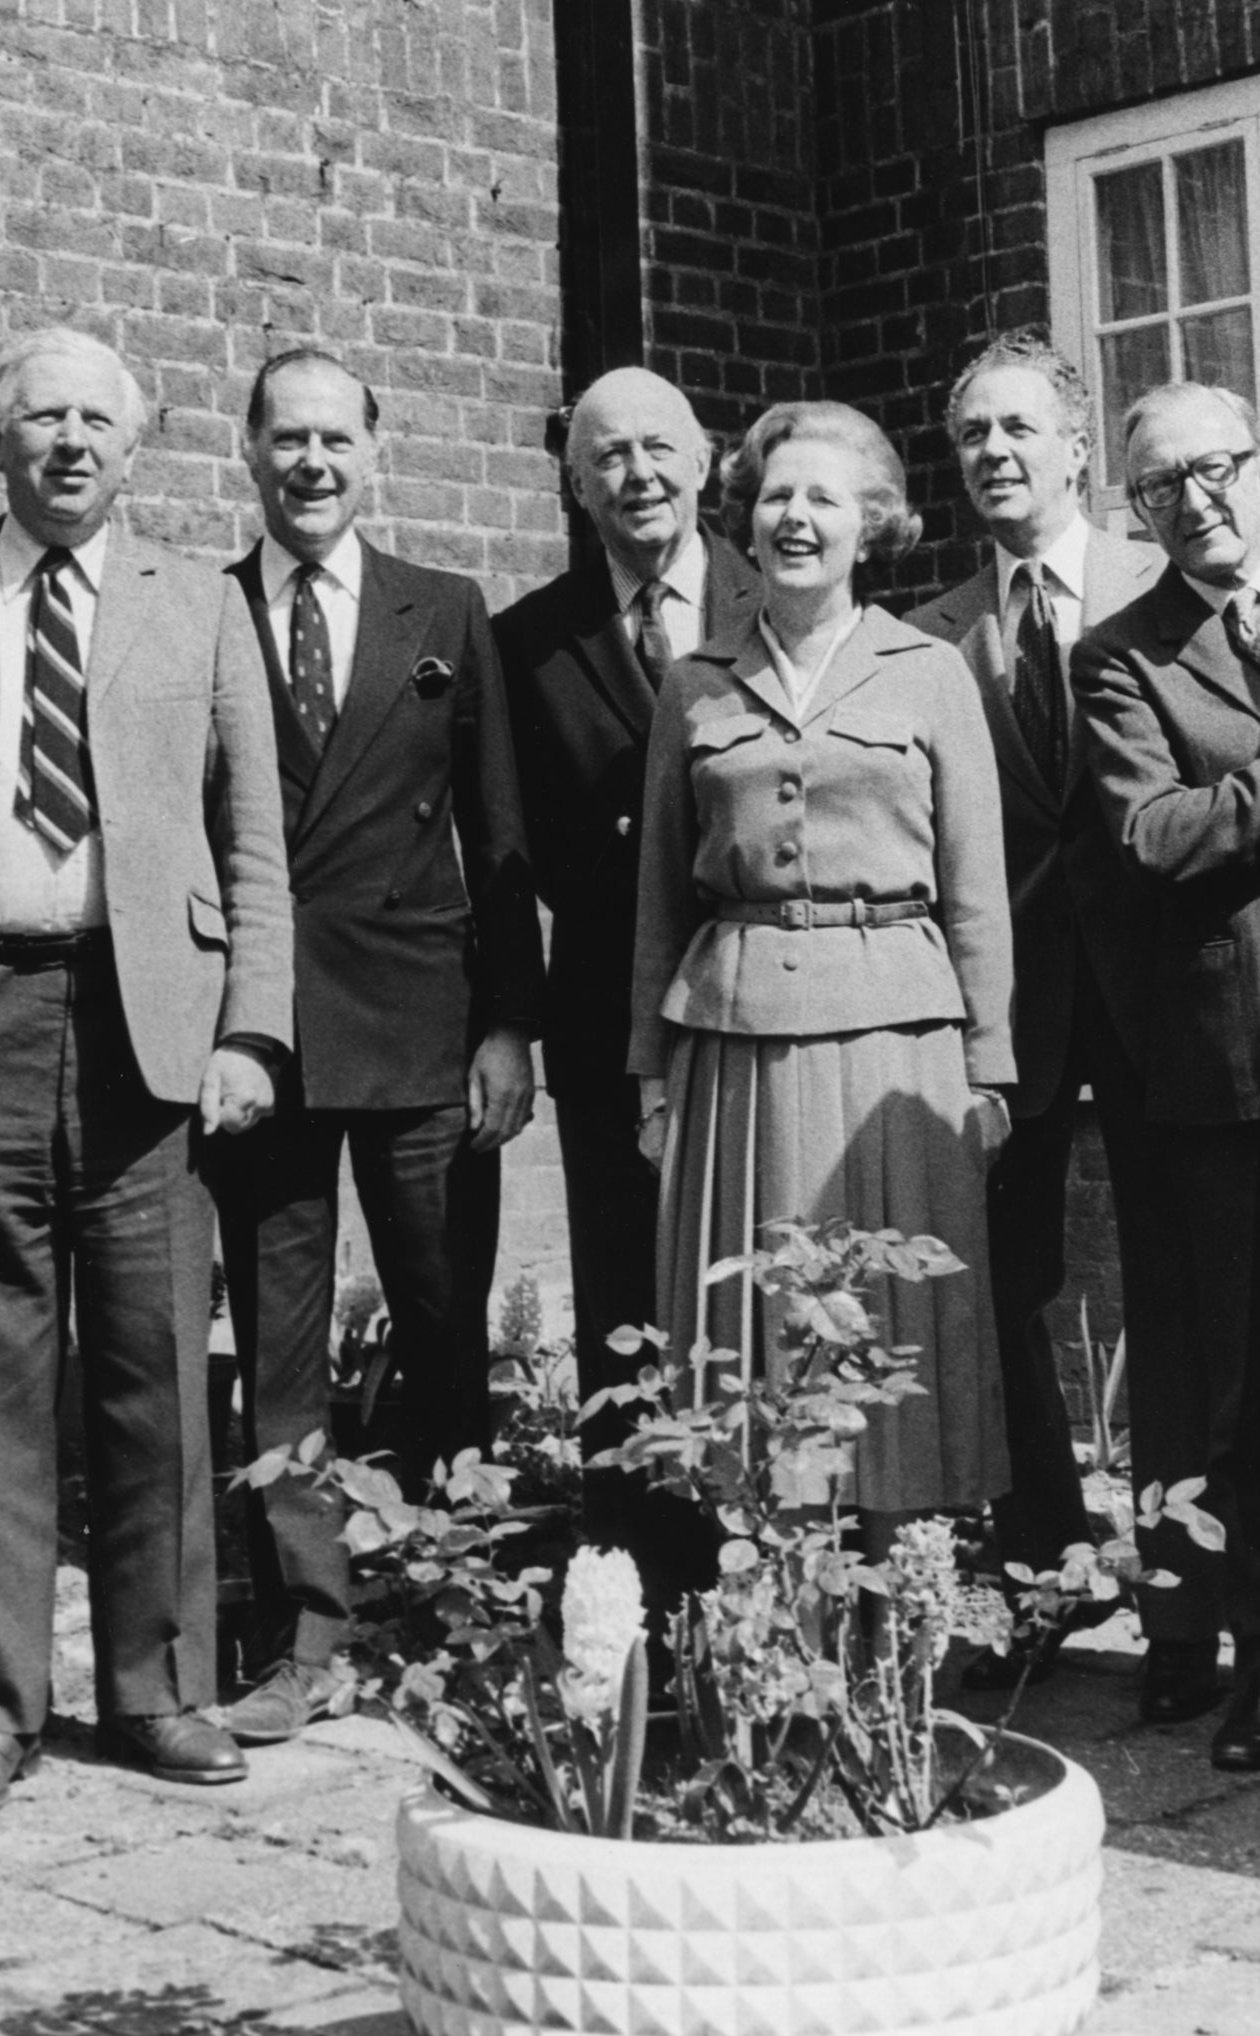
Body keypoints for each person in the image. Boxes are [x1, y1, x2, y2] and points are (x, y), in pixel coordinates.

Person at [0, 327, 294, 1816]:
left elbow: (255, 843)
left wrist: (251, 1028)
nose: (69, 441)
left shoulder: (201, 605)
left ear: (136, 441)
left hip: (146, 1025)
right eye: (40, 416)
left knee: (156, 1364)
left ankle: (158, 1688)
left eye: (97, 418)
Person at [212, 349, 542, 1744]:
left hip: (424, 1025)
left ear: (374, 448)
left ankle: (458, 1601)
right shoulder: (207, 612)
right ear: (250, 452)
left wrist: (510, 1027)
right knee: (280, 1352)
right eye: (287, 440)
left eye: (336, 439)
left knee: (444, 1326)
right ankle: (310, 1629)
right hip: (272, 1033)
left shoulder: (445, 611)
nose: (312, 465)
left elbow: (502, 829)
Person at [628, 400, 1014, 1534]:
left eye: (824, 498)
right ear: (745, 521)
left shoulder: (930, 669)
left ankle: (900, 1628)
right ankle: (772, 1622)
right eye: (778, 497)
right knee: (751, 1323)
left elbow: (975, 882)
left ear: (872, 523)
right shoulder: (692, 682)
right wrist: (648, 1070)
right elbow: (658, 890)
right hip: (733, 1046)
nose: (796, 518)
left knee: (894, 1314)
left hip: (898, 1046)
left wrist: (988, 1069)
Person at [1070, 382, 1260, 1769]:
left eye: (1217, 468)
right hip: (1245, 1059)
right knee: (1243, 1379)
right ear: (1137, 511)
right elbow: (1157, 834)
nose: (1197, 500)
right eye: (1160, 485)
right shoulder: (1122, 657)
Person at [906, 332, 1165, 1696]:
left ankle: (1190, 1603)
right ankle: (1040, 1560)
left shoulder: (1157, 582)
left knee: (1178, 1279)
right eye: (972, 438)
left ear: (1078, 446)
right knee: (1001, 1286)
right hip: (1006, 1004)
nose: (997, 455)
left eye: (1020, 430)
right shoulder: (934, 634)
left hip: (1159, 989)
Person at [494, 368, 758, 1583]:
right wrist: (509, 1015)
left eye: (659, 450)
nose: (637, 475)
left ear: (704, 462)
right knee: (619, 1292)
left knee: (762, 1273)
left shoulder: (785, 598)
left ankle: (762, 1549)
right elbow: (503, 856)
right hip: (608, 1014)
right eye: (608, 457)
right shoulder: (523, 644)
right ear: (572, 481)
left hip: (765, 1000)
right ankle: (632, 1570)